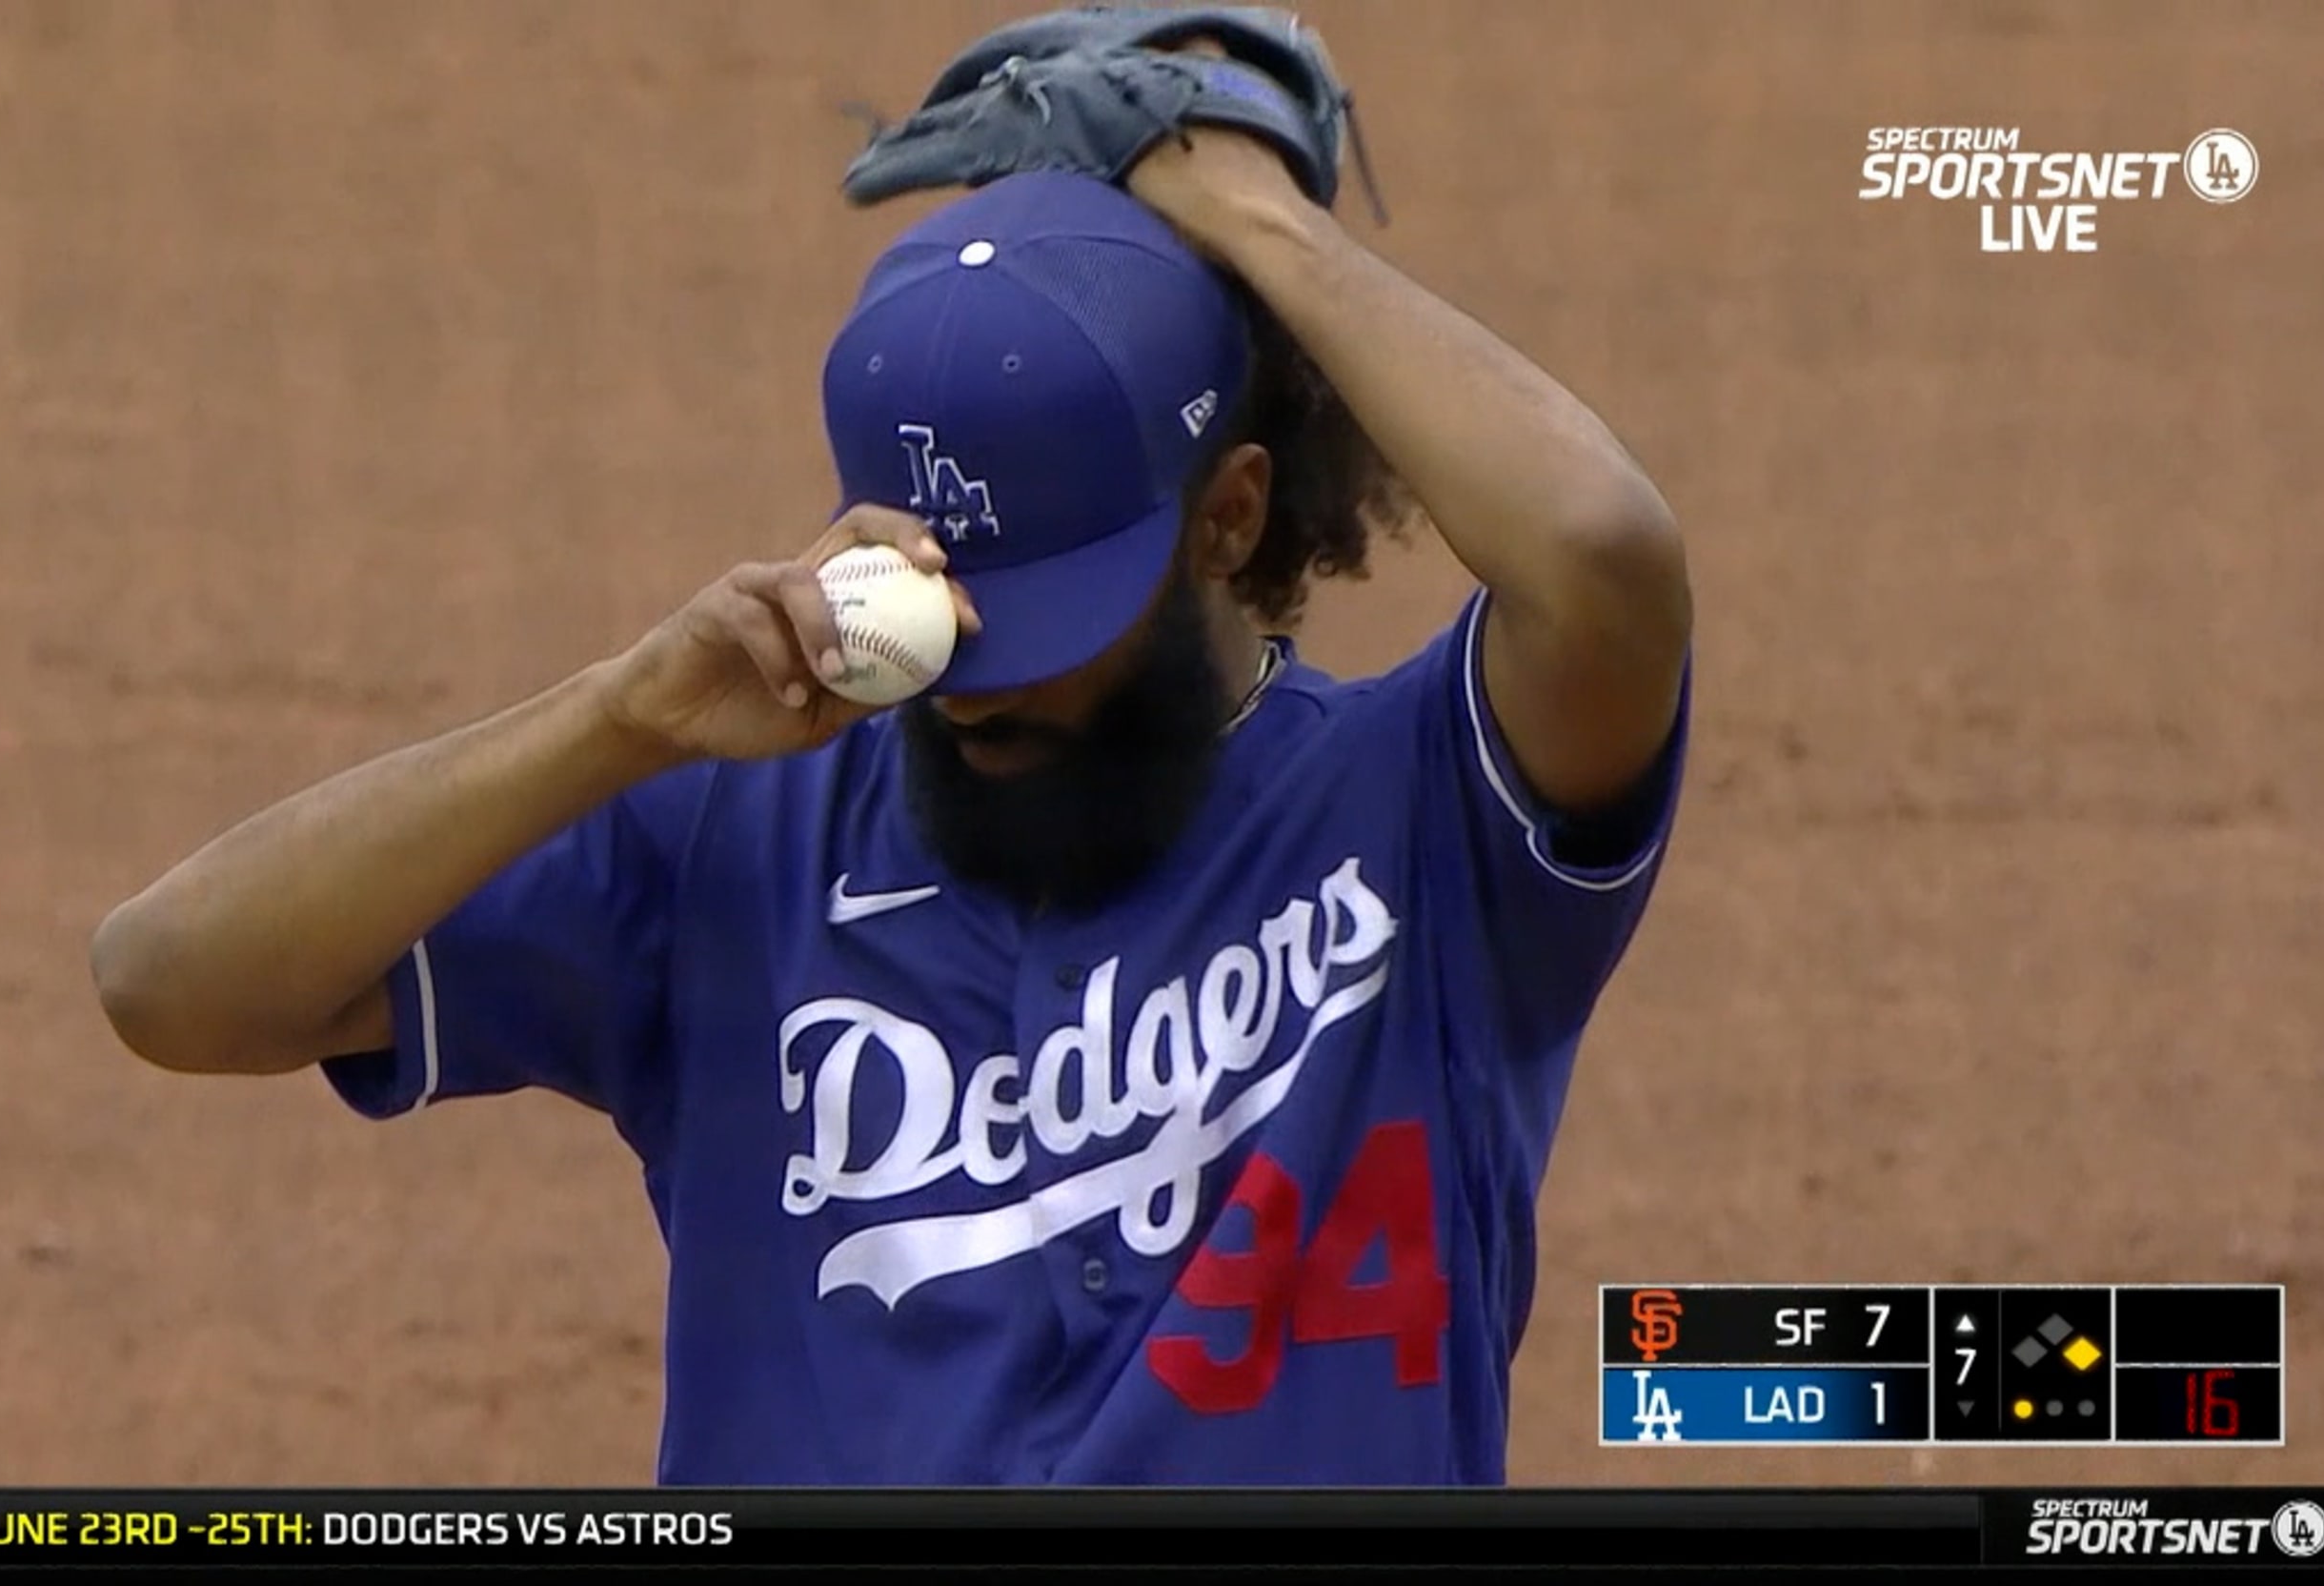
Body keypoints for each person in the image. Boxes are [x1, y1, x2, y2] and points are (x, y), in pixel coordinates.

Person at [91, 118, 1692, 1484]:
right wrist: (620, 718)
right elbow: (170, 980)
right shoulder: (735, 840)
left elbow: (1604, 558)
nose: (981, 683)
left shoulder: (1427, 819)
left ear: (1229, 520)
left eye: (1057, 616)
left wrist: (1248, 215)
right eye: (951, 605)